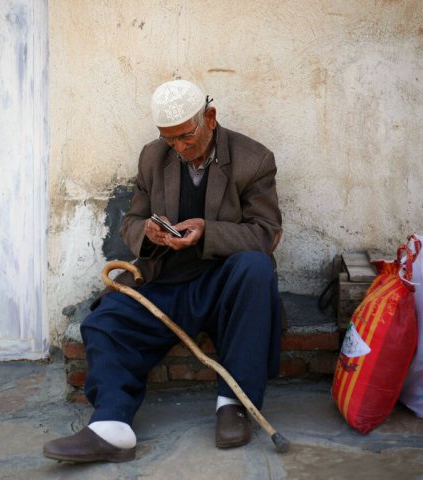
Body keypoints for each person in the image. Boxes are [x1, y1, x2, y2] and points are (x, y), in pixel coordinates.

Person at [43, 79, 283, 463]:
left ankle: (233, 404)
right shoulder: (154, 157)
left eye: (187, 137)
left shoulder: (253, 159)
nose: (180, 148)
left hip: (224, 284)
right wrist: (148, 233)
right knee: (104, 322)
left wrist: (208, 232)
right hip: (165, 279)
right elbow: (133, 221)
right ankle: (111, 428)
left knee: (255, 268)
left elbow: (265, 234)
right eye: (170, 140)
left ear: (209, 117)